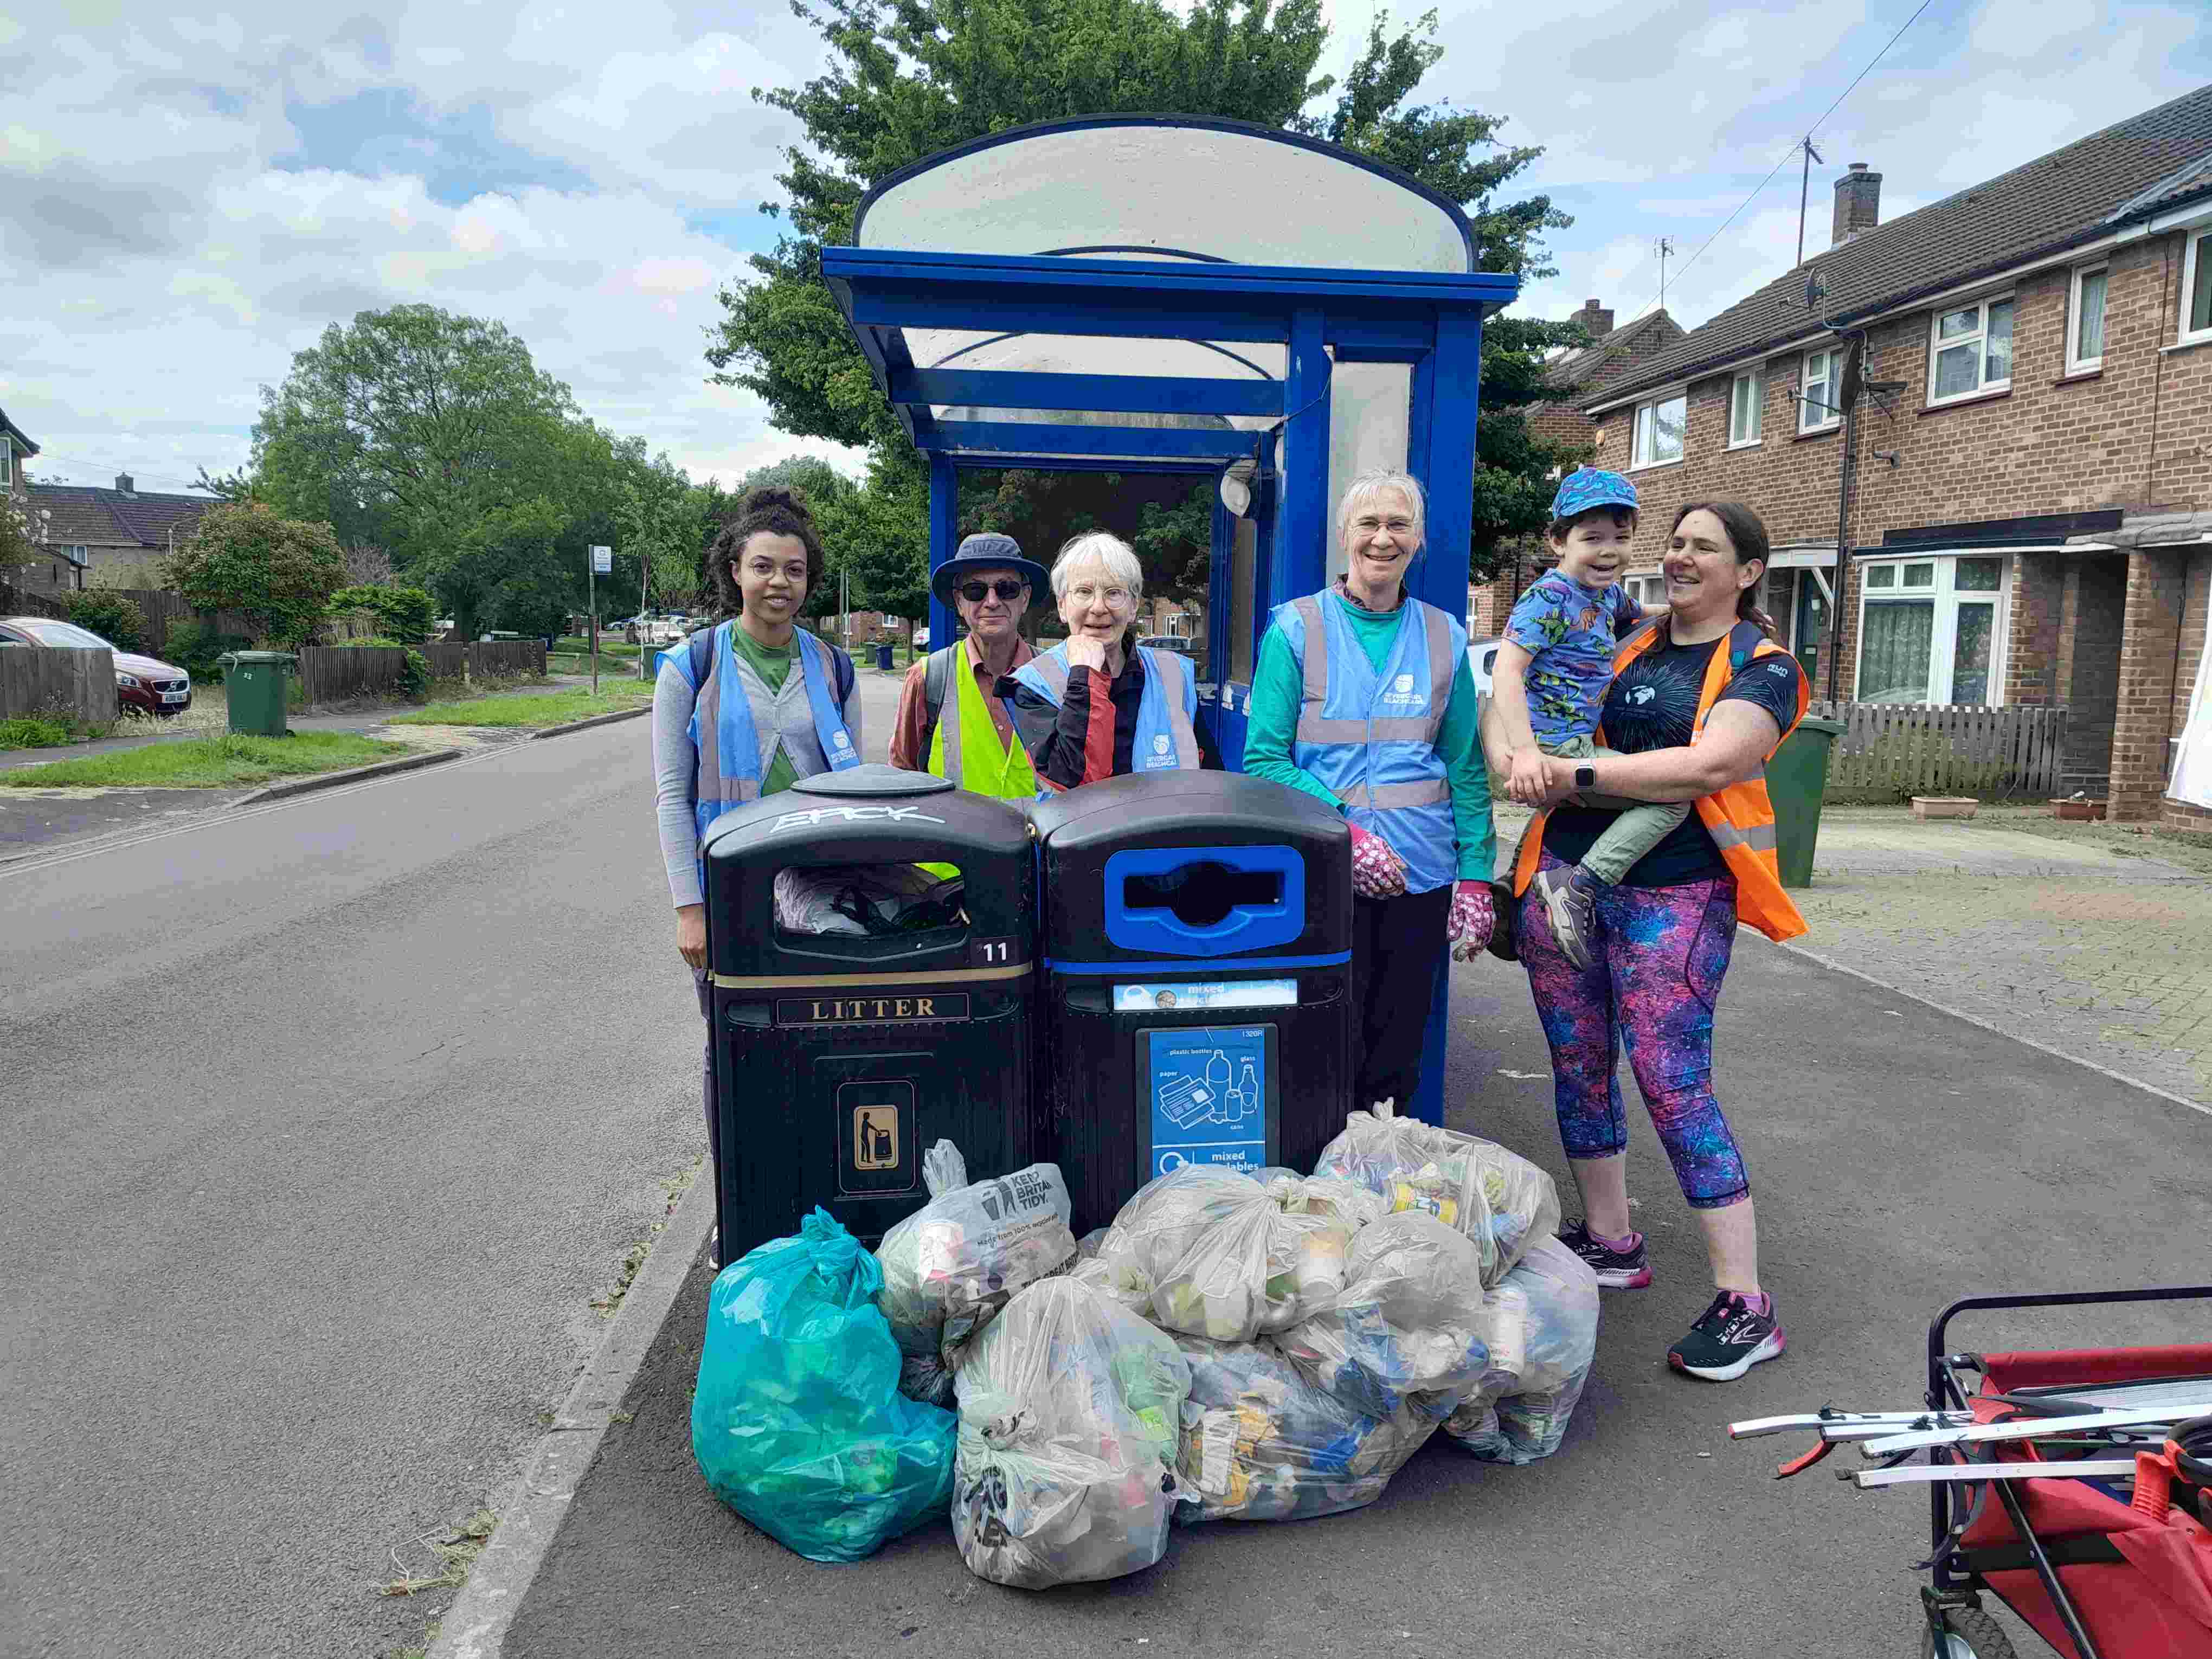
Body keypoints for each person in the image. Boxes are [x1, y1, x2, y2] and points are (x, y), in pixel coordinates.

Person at [1509, 500, 1809, 1384]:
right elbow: (1548, 688)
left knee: (1671, 1081)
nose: (1678, 558)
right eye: (1674, 543)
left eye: (1702, 549)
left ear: (1747, 572)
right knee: (1577, 1061)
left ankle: (1745, 1303)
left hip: (1674, 893)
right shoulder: (1628, 640)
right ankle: (1612, 1242)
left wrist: (1573, 775)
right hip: (1562, 878)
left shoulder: (1765, 667)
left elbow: (1710, 766)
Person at [1240, 469, 1496, 1119]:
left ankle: (1383, 1185)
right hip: (1323, 869)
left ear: (1418, 542)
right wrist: (1347, 829)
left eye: (1398, 525)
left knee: (1398, 1044)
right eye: (1369, 524)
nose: (1383, 538)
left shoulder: (1443, 636)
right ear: (1344, 536)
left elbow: (1464, 766)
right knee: (1322, 1035)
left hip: (1423, 874)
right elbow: (1264, 759)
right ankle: (1320, 1180)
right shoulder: (1295, 630)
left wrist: (1475, 878)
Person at [653, 485, 863, 1178]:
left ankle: (814, 1177)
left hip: (818, 889)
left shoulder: (833, 665)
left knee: (820, 1035)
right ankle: (740, 1194)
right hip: (732, 892)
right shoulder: (693, 665)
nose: (780, 582)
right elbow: (671, 796)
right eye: (765, 566)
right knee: (735, 1045)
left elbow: (851, 789)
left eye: (795, 570)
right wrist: (691, 907)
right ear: (735, 572)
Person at [1487, 470, 1680, 972]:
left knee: (1575, 807)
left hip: (1571, 741)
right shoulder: (1549, 597)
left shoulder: (1607, 594)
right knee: (1671, 799)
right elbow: (1507, 668)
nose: (1608, 551)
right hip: (1556, 748)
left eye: (1621, 538)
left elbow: (1644, 615)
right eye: (1591, 539)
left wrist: (1703, 607)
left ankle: (1514, 884)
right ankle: (1580, 887)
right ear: (1558, 542)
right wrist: (1526, 752)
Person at [1007, 531, 1215, 790]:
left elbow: (1212, 779)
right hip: (1079, 831)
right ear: (1062, 606)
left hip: (1167, 830)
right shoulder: (1033, 684)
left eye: (1114, 593)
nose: (1098, 607)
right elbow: (1072, 780)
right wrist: (1085, 675)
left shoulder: (1174, 673)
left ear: (1133, 606)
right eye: (1084, 591)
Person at [888, 531, 1054, 799]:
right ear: (959, 602)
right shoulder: (927, 678)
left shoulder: (1056, 676)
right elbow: (901, 779)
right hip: (955, 840)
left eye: (1007, 589)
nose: (991, 602)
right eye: (975, 591)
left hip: (1040, 840)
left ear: (1024, 599)